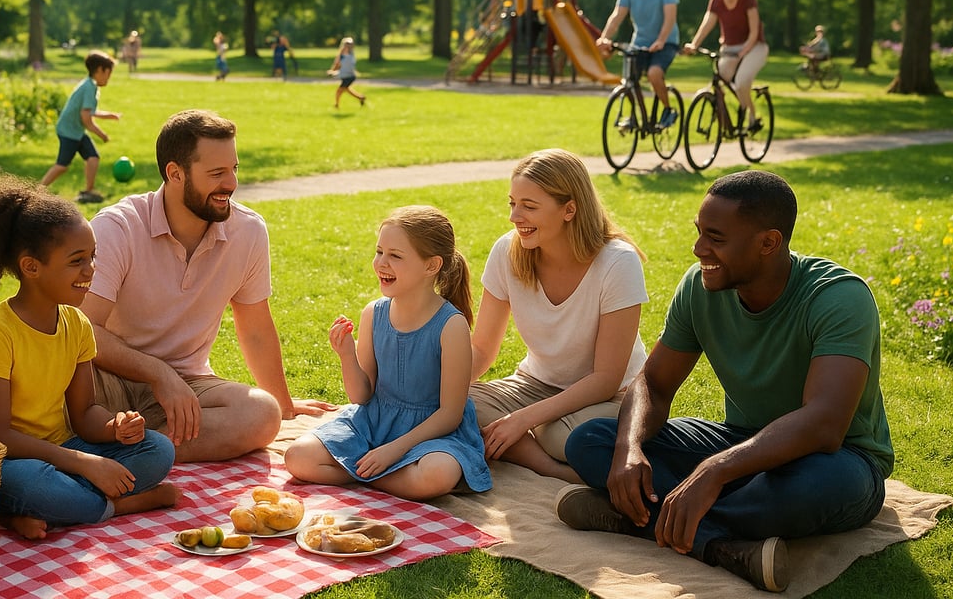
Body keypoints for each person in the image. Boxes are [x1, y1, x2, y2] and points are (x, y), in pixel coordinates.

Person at [558, 170, 893, 594]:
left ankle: (635, 520)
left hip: (838, 459)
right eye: (699, 233)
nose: (699, 249)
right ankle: (724, 546)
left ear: (768, 243)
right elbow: (654, 385)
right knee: (590, 443)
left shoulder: (839, 298)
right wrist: (629, 449)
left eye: (715, 238)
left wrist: (713, 472)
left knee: (816, 488)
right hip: (742, 444)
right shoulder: (699, 287)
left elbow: (824, 425)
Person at [80, 110, 337, 462]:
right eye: (216, 173)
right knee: (46, 384)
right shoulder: (117, 228)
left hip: (187, 388)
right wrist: (158, 373)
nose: (230, 183)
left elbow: (256, 327)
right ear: (175, 173)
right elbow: (83, 330)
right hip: (105, 379)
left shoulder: (247, 231)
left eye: (234, 169)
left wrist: (284, 404)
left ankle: (133, 451)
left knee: (263, 414)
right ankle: (113, 446)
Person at [0, 174, 177, 541]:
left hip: (60, 450)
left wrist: (115, 428)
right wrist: (85, 463)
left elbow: (85, 414)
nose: (91, 270)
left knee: (158, 449)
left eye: (92, 257)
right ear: (31, 267)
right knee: (34, 484)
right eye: (76, 261)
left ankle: (34, 510)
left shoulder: (76, 324)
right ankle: (116, 505)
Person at [284, 206, 491, 500]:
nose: (381, 262)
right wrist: (346, 355)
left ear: (431, 266)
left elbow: (450, 415)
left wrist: (394, 450)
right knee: (298, 457)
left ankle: (363, 474)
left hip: (431, 435)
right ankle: (385, 477)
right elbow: (360, 397)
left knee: (437, 474)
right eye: (379, 251)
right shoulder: (373, 314)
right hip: (374, 424)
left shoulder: (451, 325)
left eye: (395, 255)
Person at [469, 149, 648, 483]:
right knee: (460, 406)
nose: (514, 217)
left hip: (611, 394)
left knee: (561, 438)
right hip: (534, 384)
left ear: (569, 209)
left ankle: (537, 447)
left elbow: (606, 378)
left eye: (529, 206)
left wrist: (521, 420)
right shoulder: (507, 252)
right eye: (513, 203)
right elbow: (480, 351)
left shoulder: (617, 263)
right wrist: (435, 390)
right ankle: (552, 470)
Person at [596, 0, 681, 127]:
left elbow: (670, 17)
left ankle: (667, 109)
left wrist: (661, 40)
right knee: (629, 80)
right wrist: (604, 38)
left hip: (666, 42)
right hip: (640, 43)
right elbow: (617, 17)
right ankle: (635, 116)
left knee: (654, 73)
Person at [683, 0, 769, 132]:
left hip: (754, 47)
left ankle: (751, 115)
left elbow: (754, 31)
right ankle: (731, 118)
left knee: (742, 81)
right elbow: (707, 23)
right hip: (729, 48)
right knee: (720, 81)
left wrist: (744, 52)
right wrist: (694, 44)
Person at [40, 50, 121, 204]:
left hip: (76, 131)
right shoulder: (89, 87)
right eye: (108, 74)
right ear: (99, 70)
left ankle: (88, 191)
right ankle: (38, 190)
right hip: (69, 131)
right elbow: (86, 119)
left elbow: (87, 110)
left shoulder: (90, 85)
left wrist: (108, 115)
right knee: (62, 166)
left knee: (93, 158)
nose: (108, 78)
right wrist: (101, 134)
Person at [327, 37, 366, 109]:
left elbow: (344, 65)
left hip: (349, 76)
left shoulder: (350, 55)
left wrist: (332, 71)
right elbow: (337, 64)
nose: (348, 46)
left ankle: (336, 105)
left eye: (350, 44)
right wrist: (332, 71)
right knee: (346, 89)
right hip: (346, 75)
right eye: (347, 44)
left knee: (339, 91)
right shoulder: (344, 55)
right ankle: (361, 97)